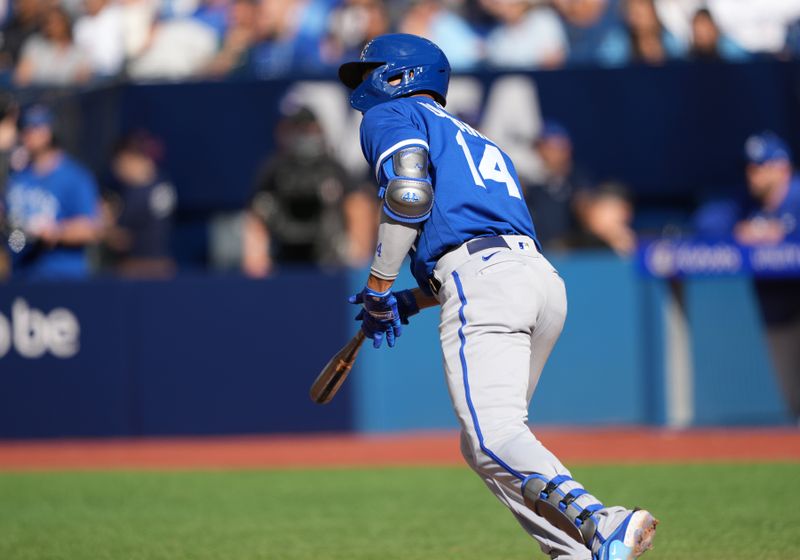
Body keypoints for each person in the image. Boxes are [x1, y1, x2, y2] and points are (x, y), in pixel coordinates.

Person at [338, 33, 657, 560]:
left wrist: (377, 289)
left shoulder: (391, 116)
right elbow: (473, 248)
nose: (362, 83)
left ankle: (602, 521)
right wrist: (409, 301)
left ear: (399, 76)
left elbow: (408, 194)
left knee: (492, 437)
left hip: (486, 280)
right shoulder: (481, 142)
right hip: (537, 280)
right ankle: (573, 553)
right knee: (486, 443)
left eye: (368, 71)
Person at [242, 106, 374, 277]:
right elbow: (256, 213)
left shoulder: (333, 167)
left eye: (310, 130)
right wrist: (257, 257)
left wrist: (356, 257)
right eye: (300, 130)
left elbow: (357, 205)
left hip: (328, 255)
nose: (306, 137)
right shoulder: (274, 169)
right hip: (284, 254)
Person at [4, 105, 100, 280]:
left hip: (61, 276)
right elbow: (11, 227)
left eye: (37, 128)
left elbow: (91, 229)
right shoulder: (17, 176)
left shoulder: (75, 176)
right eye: (25, 129)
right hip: (20, 273)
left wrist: (56, 232)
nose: (30, 135)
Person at [100, 131, 177, 278]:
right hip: (163, 265)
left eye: (118, 163)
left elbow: (122, 241)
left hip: (139, 270)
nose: (117, 170)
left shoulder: (139, 193)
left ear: (128, 158)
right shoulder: (163, 183)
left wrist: (104, 225)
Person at [524, 121, 591, 249]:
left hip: (570, 252)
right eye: (547, 147)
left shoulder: (576, 179)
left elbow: (584, 207)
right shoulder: (527, 181)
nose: (552, 153)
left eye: (558, 148)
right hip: (535, 249)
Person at [13, 7, 92, 86]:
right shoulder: (36, 46)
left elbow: (82, 79)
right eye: (48, 23)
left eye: (57, 22)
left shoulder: (78, 51)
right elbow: (22, 77)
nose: (53, 26)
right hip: (38, 95)